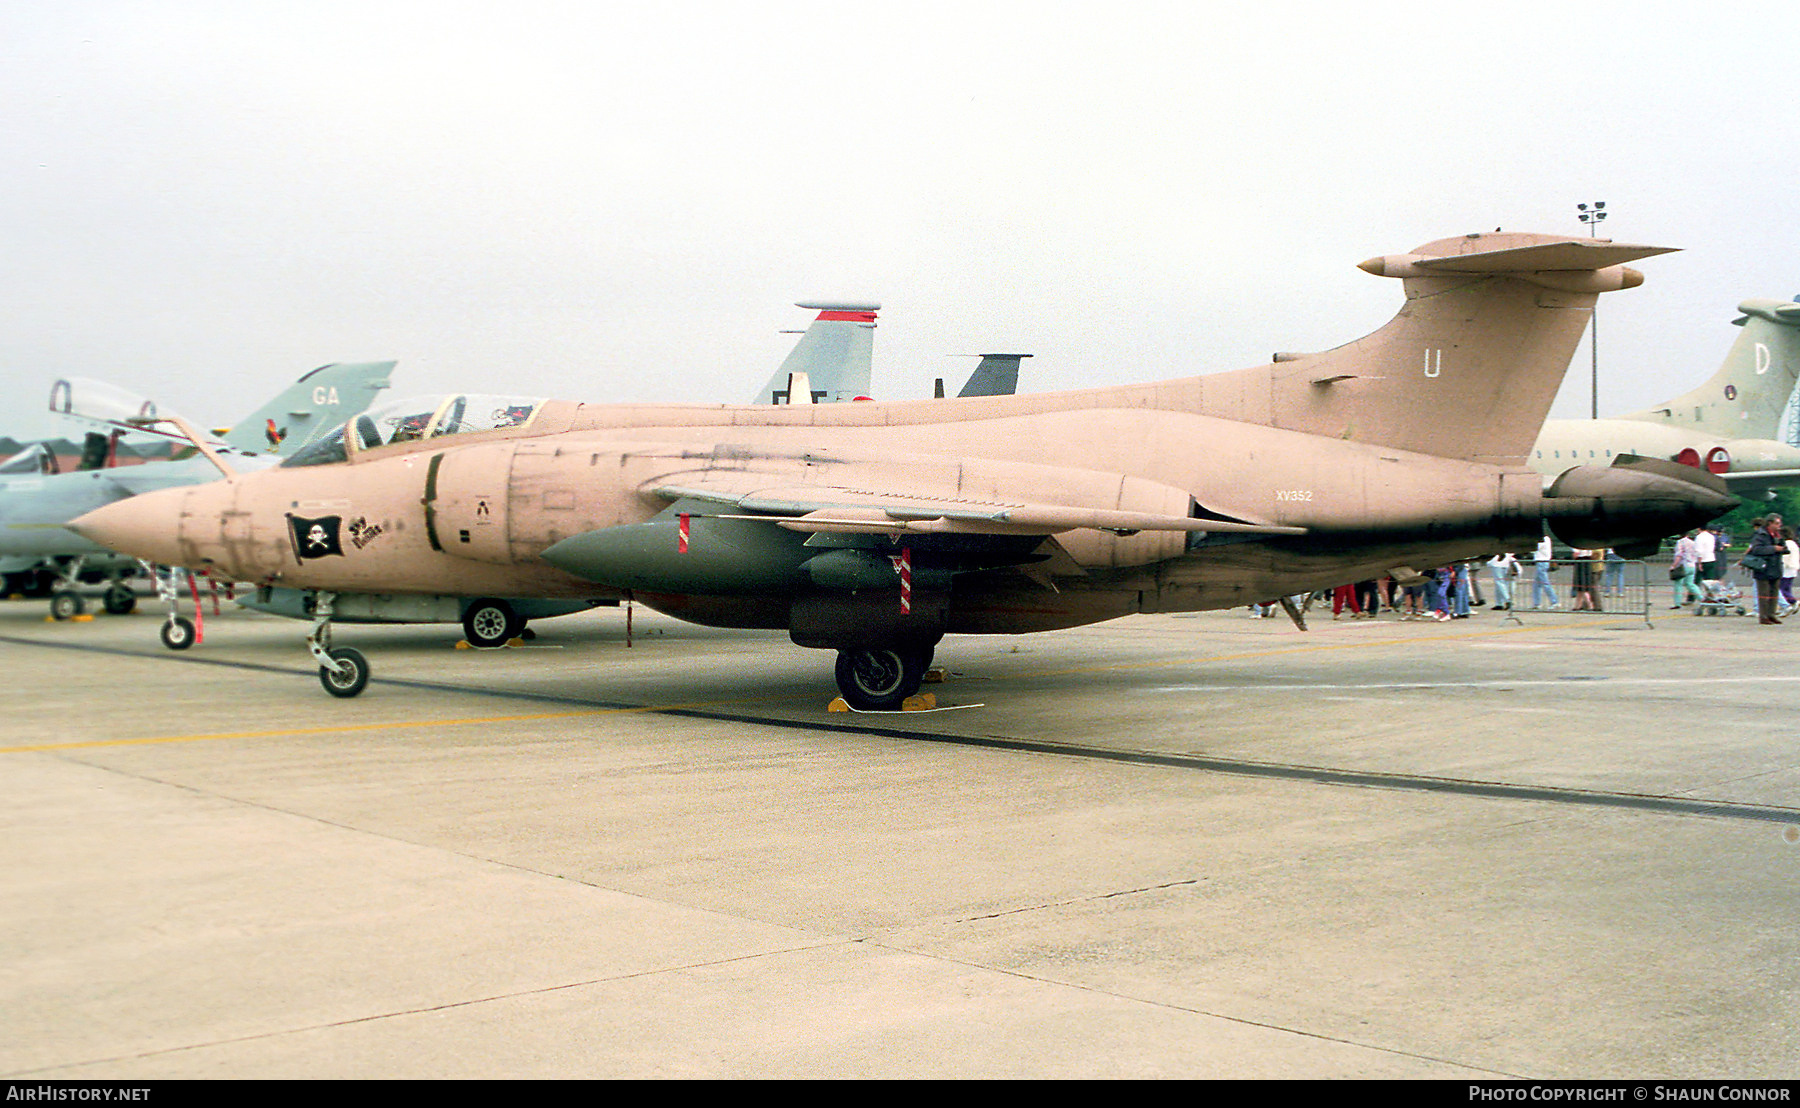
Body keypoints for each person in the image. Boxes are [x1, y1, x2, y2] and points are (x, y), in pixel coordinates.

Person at [1745, 515, 1787, 625]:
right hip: (1763, 568)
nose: (1779, 526)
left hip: (1776, 567)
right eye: (1777, 523)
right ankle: (1763, 616)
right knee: (1764, 593)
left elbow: (1782, 548)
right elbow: (1756, 549)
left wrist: (1783, 548)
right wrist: (1773, 548)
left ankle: (1771, 614)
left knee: (1774, 593)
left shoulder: (1778, 535)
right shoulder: (1760, 534)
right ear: (1770, 523)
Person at [1670, 530, 1704, 609]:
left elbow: (1679, 555)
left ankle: (1677, 603)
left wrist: (1673, 566)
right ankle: (1702, 599)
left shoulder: (1680, 542)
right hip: (1692, 565)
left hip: (1683, 565)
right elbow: (1697, 553)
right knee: (1690, 584)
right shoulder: (1692, 543)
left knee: (1678, 584)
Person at [1532, 536, 1559, 609]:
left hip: (1542, 561)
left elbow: (1535, 548)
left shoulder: (1543, 539)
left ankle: (1554, 601)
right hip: (1541, 561)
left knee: (1545, 582)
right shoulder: (1546, 538)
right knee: (1537, 584)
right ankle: (1537, 603)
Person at [1782, 526, 1799, 617]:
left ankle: (1793, 602)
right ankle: (1789, 603)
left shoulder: (1786, 544)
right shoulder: (1793, 543)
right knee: (1787, 588)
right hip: (1793, 568)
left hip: (1786, 569)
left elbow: (1785, 557)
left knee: (1781, 589)